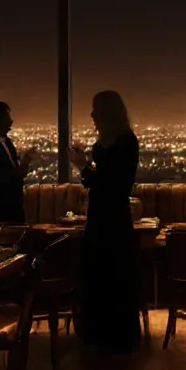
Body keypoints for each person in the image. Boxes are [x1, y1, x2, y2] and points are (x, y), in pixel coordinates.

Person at [69, 91, 141, 353]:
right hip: (101, 216)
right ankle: (102, 333)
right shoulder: (111, 143)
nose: (91, 115)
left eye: (95, 110)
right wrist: (85, 168)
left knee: (112, 271)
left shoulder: (125, 143)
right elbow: (100, 183)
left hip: (112, 217)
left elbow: (115, 186)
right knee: (101, 271)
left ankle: (112, 336)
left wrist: (83, 167)